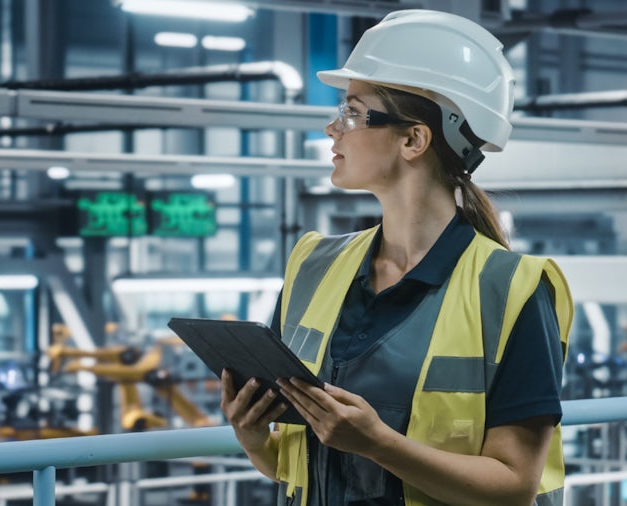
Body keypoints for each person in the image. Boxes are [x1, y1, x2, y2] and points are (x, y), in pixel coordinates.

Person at [220, 9, 574, 506]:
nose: (331, 128)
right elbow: (302, 464)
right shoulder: (313, 266)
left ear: (414, 139)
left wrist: (379, 443)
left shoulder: (511, 289)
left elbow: (514, 485)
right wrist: (255, 439)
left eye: (351, 112)